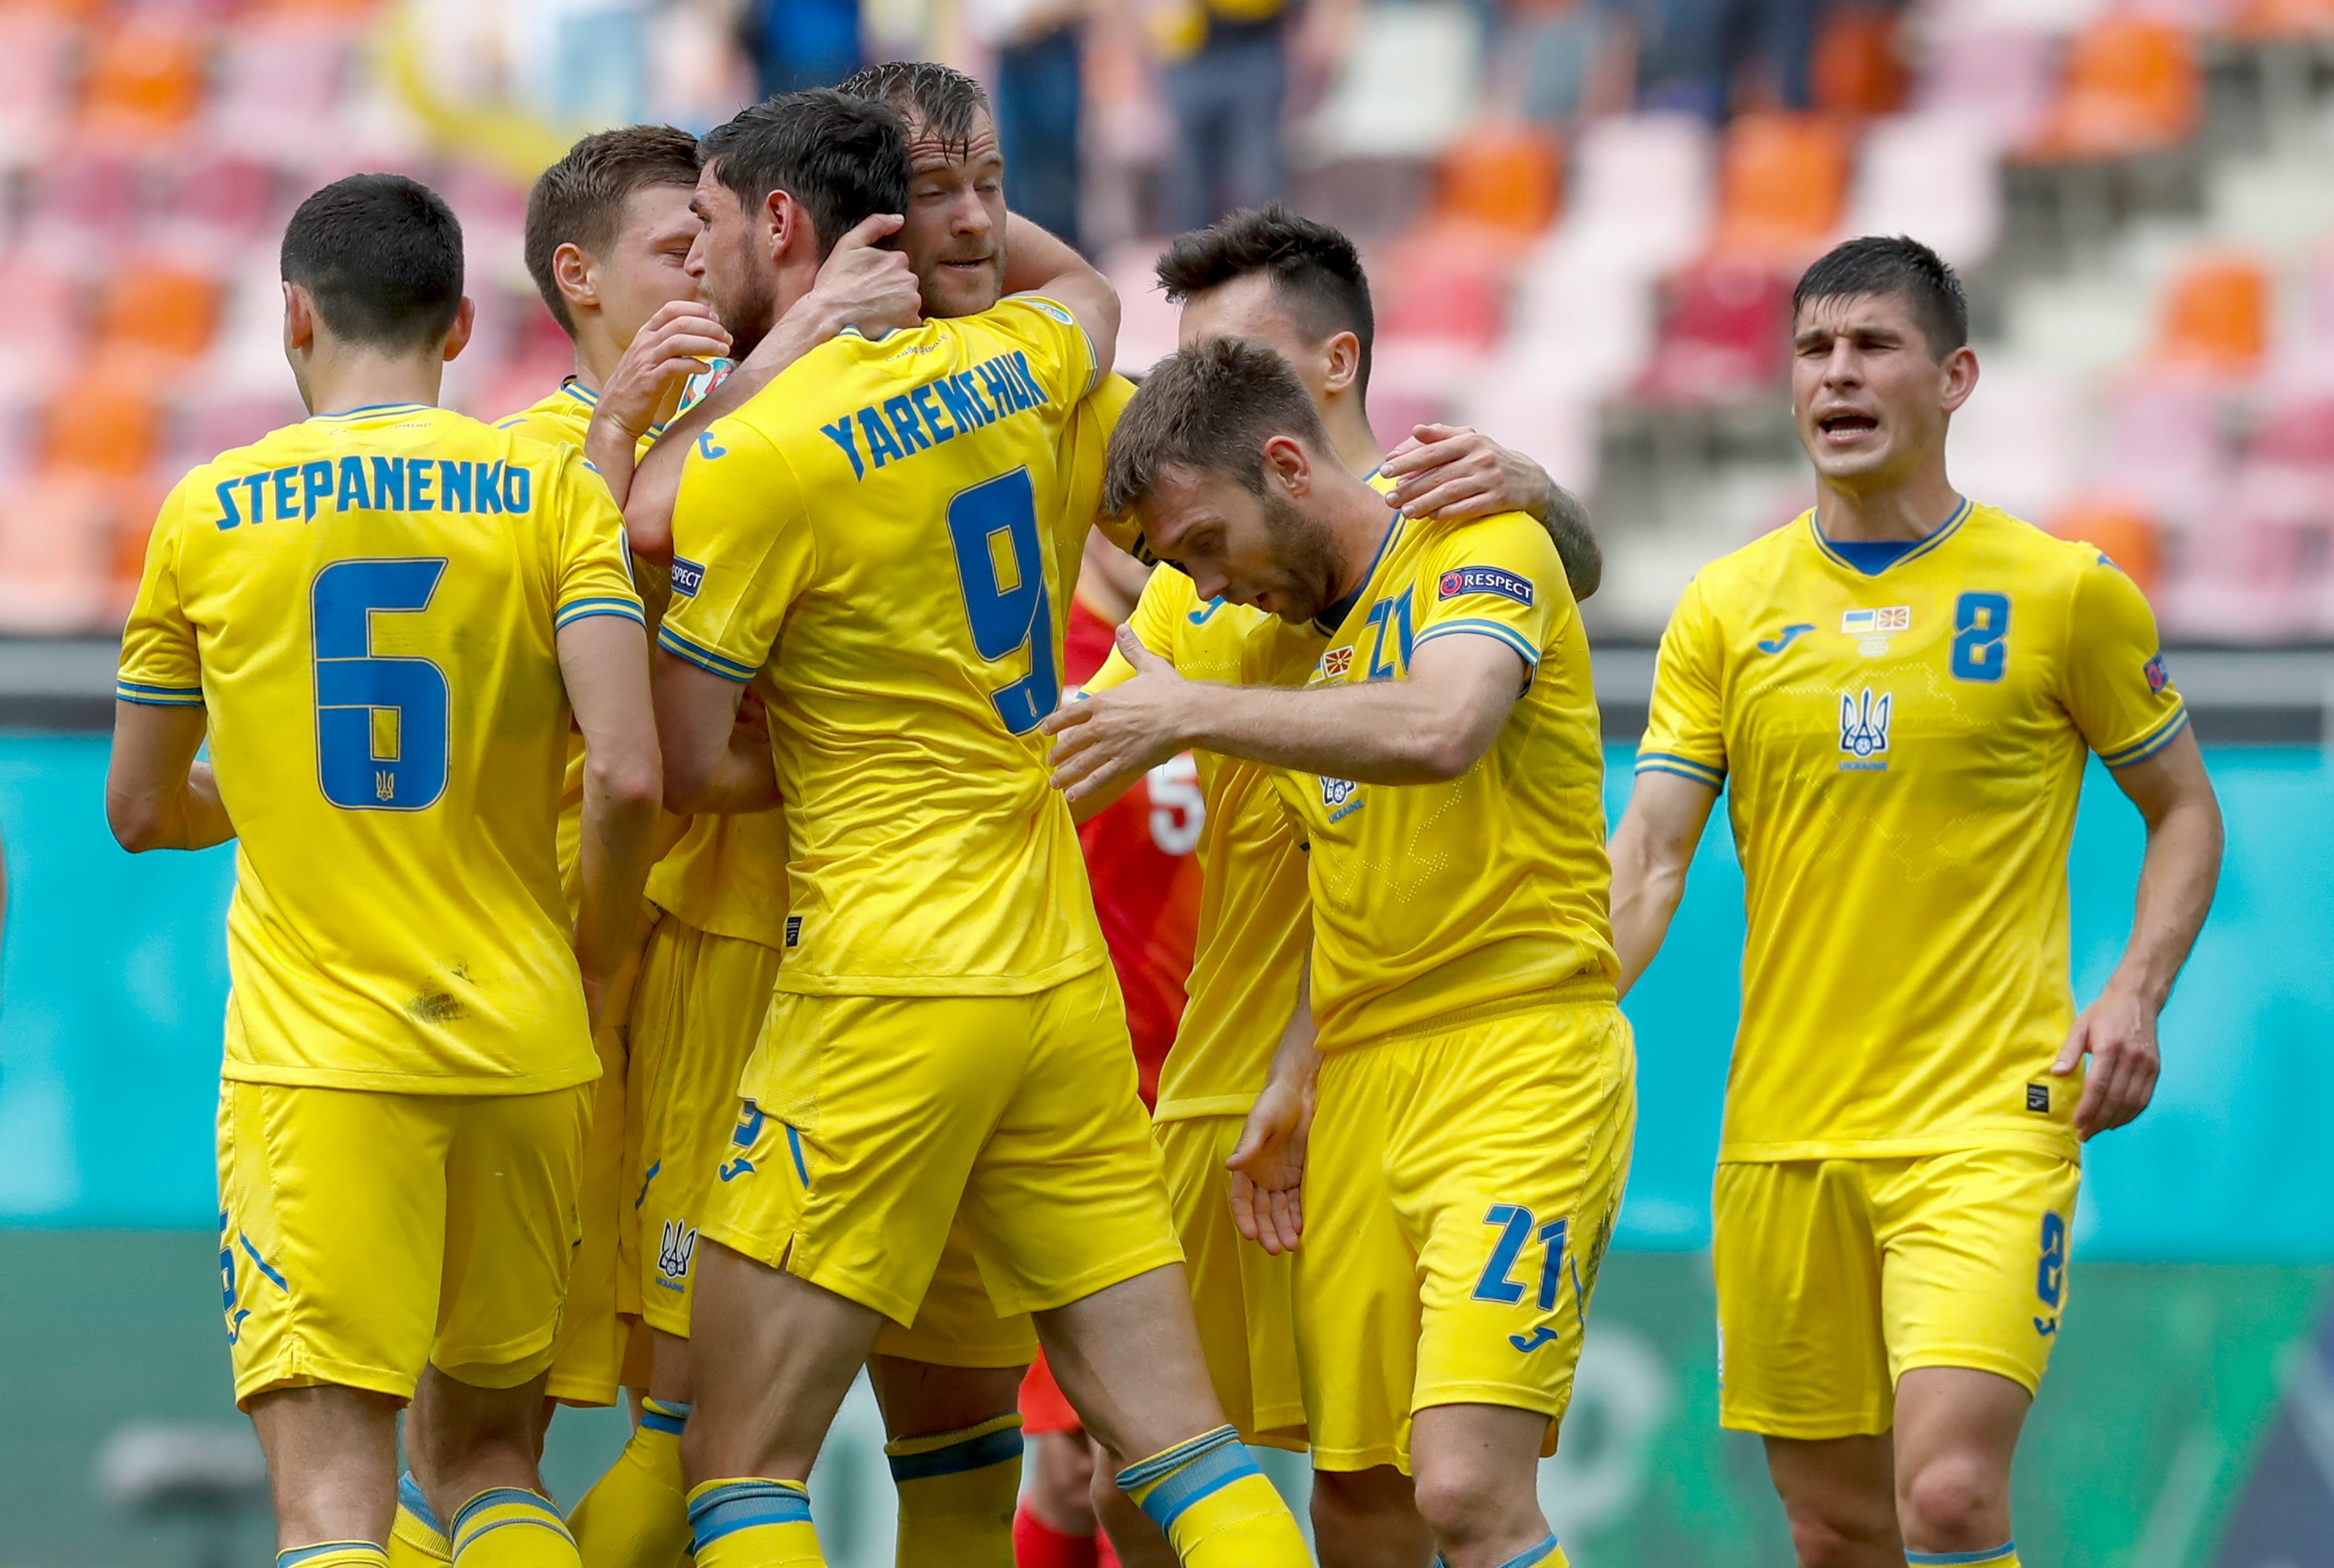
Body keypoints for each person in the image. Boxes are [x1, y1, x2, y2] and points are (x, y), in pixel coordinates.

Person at [648, 89, 1310, 1566]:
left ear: (783, 224)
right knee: (1185, 1446)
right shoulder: (1027, 364)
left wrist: (821, 750)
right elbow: (1078, 286)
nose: (693, 260)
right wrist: (964, 205)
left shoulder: (765, 451)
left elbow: (683, 761)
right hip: (1052, 985)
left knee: (739, 1463)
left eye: (706, 228)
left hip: (885, 977)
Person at [1604, 236, 2225, 1568]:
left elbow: (2184, 810)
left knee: (1943, 1498)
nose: (1837, 374)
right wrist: (1543, 1011)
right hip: (1781, 1134)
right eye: (1813, 349)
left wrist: (2131, 992)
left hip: (1985, 1123)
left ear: (1953, 378)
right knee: (1832, 1530)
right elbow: (1650, 857)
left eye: (1871, 345)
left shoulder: (2062, 592)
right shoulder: (1722, 609)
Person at [105, 173, 661, 1568]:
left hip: (319, 1071)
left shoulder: (207, 510)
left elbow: (135, 809)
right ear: (463, 324)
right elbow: (633, 771)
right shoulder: (550, 493)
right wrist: (595, 959)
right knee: (486, 1465)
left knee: (333, 1508)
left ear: (293, 316)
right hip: (528, 1044)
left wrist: (256, 793)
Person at [1063, 204, 1597, 1568]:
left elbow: (1438, 725)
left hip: (1507, 1060)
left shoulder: (1482, 527)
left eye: (1232, 362)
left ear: (1322, 382)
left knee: (1462, 1492)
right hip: (1308, 1075)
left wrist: (1186, 718)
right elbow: (1081, 758)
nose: (1196, 581)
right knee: (1216, 1489)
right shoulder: (1229, 594)